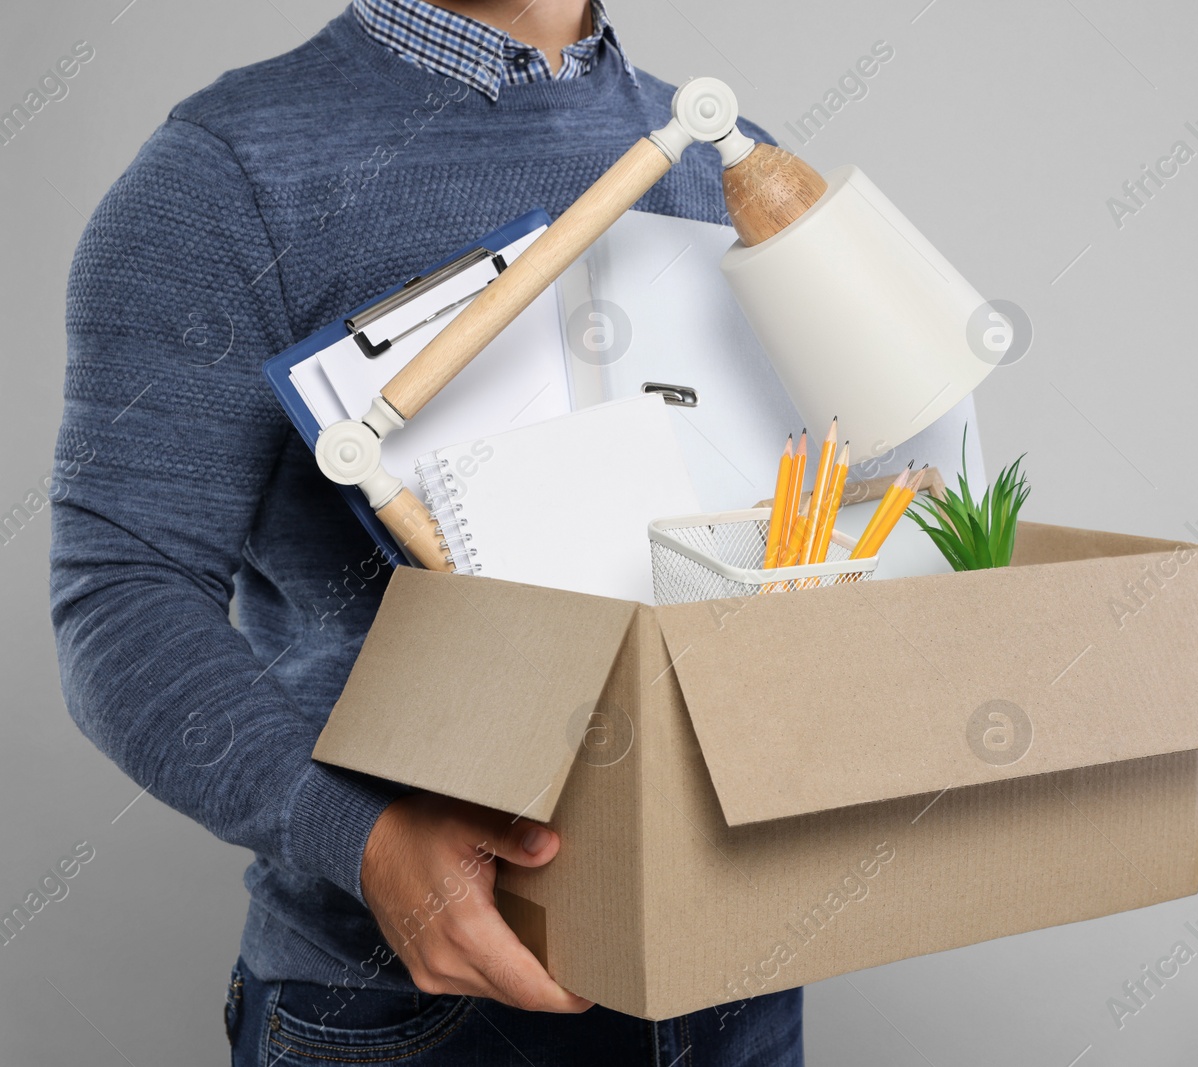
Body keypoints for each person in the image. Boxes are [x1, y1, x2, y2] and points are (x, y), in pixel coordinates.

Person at [49, 1, 803, 1063]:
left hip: (734, 981)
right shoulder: (222, 174)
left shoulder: (733, 157)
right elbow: (120, 592)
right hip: (406, 1005)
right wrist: (359, 839)